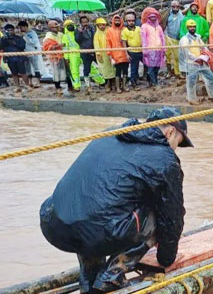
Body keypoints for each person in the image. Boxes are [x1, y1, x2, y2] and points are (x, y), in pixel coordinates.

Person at [40, 107, 192, 292]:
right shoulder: (165, 159)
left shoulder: (112, 133)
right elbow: (172, 218)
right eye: (178, 142)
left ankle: (89, 278)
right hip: (96, 231)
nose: (176, 148)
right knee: (159, 211)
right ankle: (112, 275)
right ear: (170, 132)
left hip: (53, 223)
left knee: (90, 205)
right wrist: (166, 259)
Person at [179, 20, 213, 104]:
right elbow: (186, 52)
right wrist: (196, 58)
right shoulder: (185, 39)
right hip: (192, 63)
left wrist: (207, 55)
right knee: (191, 82)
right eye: (190, 26)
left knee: (210, 77)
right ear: (187, 28)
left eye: (194, 26)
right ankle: (191, 99)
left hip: (202, 62)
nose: (192, 28)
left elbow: (204, 48)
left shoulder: (198, 38)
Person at [42, 20, 71, 96]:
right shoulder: (48, 37)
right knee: (56, 72)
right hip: (54, 57)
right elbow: (47, 47)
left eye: (58, 27)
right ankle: (57, 87)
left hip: (63, 55)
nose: (58, 28)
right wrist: (59, 46)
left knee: (67, 71)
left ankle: (70, 86)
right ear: (51, 28)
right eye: (56, 27)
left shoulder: (60, 34)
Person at [141, 7, 166, 87]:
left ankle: (153, 81)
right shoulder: (144, 26)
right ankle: (154, 83)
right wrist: (145, 50)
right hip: (149, 50)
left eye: (154, 17)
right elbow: (143, 39)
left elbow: (162, 38)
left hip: (159, 50)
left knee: (157, 67)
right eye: (151, 17)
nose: (153, 18)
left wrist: (164, 48)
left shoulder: (159, 27)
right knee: (151, 68)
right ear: (148, 18)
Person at [0, 23, 29, 92]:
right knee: (14, 73)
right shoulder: (4, 39)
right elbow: (1, 47)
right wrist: (3, 40)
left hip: (19, 58)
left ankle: (27, 86)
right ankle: (17, 86)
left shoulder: (18, 38)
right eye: (8, 31)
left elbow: (23, 47)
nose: (9, 32)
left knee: (23, 72)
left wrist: (14, 43)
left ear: (13, 30)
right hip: (10, 58)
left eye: (11, 30)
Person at [107, 15, 130, 93]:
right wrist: (110, 57)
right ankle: (117, 87)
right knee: (117, 72)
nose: (117, 22)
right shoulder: (109, 30)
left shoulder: (124, 29)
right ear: (113, 21)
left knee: (125, 71)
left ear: (121, 21)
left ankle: (124, 86)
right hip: (116, 55)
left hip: (125, 55)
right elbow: (108, 44)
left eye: (118, 20)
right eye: (115, 20)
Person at [75, 16, 98, 92]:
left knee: (101, 65)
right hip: (85, 52)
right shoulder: (78, 30)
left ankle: (106, 82)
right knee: (86, 69)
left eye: (86, 21)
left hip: (94, 51)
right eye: (83, 22)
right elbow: (77, 40)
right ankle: (88, 85)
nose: (85, 23)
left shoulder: (92, 28)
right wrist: (80, 32)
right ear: (81, 23)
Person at [121, 13, 143, 91]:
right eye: (129, 21)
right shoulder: (124, 31)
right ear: (126, 21)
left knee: (147, 65)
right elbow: (124, 43)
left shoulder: (139, 28)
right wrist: (126, 54)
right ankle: (134, 83)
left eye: (133, 20)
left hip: (141, 50)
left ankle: (146, 80)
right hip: (132, 51)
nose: (131, 22)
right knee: (134, 68)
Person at [93, 17, 116, 92]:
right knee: (105, 70)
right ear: (98, 26)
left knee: (112, 68)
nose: (102, 26)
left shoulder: (108, 31)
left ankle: (113, 84)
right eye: (100, 25)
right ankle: (107, 85)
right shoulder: (96, 34)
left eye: (103, 25)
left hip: (111, 53)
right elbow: (96, 45)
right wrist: (98, 54)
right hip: (102, 54)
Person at [18, 21, 42, 88]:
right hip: (25, 53)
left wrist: (25, 37)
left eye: (21, 27)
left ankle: (38, 82)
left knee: (36, 67)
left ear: (25, 27)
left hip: (33, 52)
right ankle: (30, 82)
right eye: (19, 28)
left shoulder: (32, 33)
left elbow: (33, 42)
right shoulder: (22, 34)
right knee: (27, 68)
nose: (20, 29)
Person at [164, 0, 184, 78]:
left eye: (177, 6)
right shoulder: (167, 14)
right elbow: (163, 24)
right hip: (168, 37)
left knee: (177, 57)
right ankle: (169, 72)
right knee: (168, 56)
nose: (175, 8)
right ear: (171, 7)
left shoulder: (182, 15)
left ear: (179, 7)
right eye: (173, 6)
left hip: (177, 39)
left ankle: (178, 73)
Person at [62, 20, 82, 91]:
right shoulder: (65, 36)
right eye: (68, 25)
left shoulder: (78, 32)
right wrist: (66, 58)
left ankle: (101, 81)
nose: (70, 26)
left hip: (82, 53)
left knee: (91, 68)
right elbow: (65, 48)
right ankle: (76, 86)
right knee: (74, 71)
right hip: (72, 55)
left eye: (71, 24)